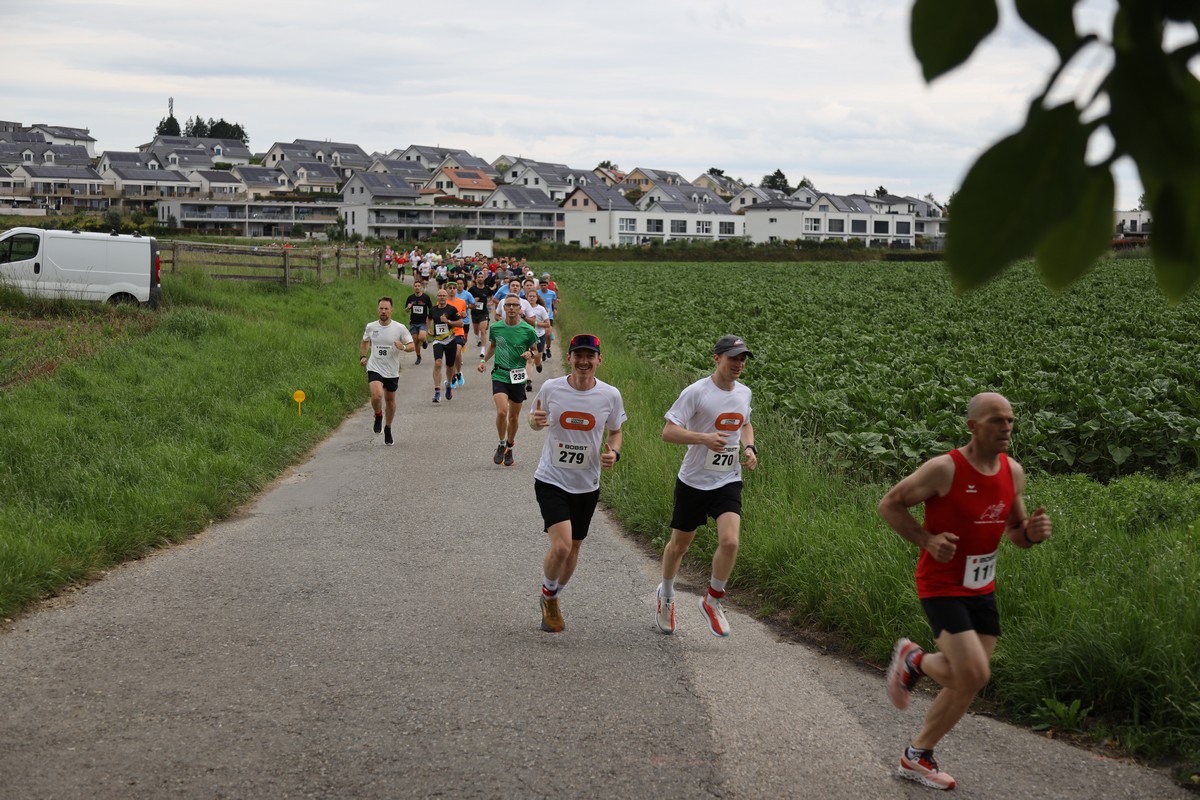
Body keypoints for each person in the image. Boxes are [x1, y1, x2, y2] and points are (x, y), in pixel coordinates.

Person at [878, 392, 1052, 791]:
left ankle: (918, 755)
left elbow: (1015, 532)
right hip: (941, 584)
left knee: (968, 680)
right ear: (973, 426)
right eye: (996, 420)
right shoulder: (944, 469)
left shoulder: (1013, 472)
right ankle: (916, 661)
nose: (1006, 427)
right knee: (974, 673)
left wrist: (1031, 533)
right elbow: (890, 504)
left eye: (1010, 420)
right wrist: (926, 539)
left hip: (981, 587)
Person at [654, 335, 757, 638]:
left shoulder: (744, 392)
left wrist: (750, 447)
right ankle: (666, 594)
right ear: (717, 358)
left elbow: (745, 423)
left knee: (731, 542)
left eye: (743, 359)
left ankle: (712, 600)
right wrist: (704, 438)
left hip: (728, 479)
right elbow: (668, 432)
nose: (739, 364)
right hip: (694, 481)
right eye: (733, 358)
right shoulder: (697, 392)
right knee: (679, 546)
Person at [528, 334, 626, 633]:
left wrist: (614, 453)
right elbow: (534, 418)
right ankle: (548, 595)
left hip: (587, 484)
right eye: (578, 355)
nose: (584, 361)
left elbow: (615, 432)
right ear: (569, 358)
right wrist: (535, 422)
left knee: (573, 549)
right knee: (561, 546)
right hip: (551, 478)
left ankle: (554, 595)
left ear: (599, 360)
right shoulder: (551, 387)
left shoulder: (610, 395)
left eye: (589, 356)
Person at [478, 295, 541, 466]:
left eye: (515, 305)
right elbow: (493, 346)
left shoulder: (528, 330)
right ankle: (501, 443)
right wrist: (484, 361)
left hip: (518, 376)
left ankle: (510, 445)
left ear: (520, 309)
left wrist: (530, 354)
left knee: (513, 417)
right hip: (500, 373)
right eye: (508, 305)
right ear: (504, 308)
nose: (512, 308)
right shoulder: (496, 328)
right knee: (502, 412)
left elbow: (536, 351)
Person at [359, 296, 415, 446]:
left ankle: (388, 427)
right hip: (374, 367)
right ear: (378, 310)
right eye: (381, 309)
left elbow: (412, 346)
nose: (383, 311)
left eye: (386, 309)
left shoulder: (399, 328)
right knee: (377, 395)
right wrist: (363, 356)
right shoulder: (371, 327)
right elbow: (365, 341)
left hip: (391, 370)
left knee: (390, 401)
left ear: (391, 310)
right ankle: (378, 415)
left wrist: (403, 347)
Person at [427, 287, 462, 403]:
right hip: (438, 340)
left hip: (450, 340)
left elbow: (461, 323)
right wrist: (429, 328)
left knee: (450, 366)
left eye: (444, 296)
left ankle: (448, 385)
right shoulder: (433, 309)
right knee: (438, 363)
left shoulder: (452, 309)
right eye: (440, 296)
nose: (442, 298)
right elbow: (429, 318)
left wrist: (448, 322)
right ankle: (437, 391)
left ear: (447, 297)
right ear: (437, 297)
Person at [446, 280, 469, 390]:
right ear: (446, 290)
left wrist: (464, 315)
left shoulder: (462, 302)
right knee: (451, 356)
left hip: (459, 331)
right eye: (449, 288)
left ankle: (458, 373)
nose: (452, 290)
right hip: (446, 332)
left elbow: (463, 315)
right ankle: (453, 376)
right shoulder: (442, 302)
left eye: (454, 288)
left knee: (457, 353)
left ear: (456, 290)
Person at [404, 280, 432, 366]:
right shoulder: (410, 298)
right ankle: (418, 356)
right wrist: (408, 308)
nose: (417, 287)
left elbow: (431, 308)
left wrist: (429, 318)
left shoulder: (426, 297)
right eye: (415, 286)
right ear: (413, 287)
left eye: (418, 286)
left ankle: (424, 341)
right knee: (415, 341)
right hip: (413, 322)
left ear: (421, 287)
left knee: (421, 337)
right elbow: (406, 310)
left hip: (423, 322)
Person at [469, 270, 492, 355]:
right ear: (476, 279)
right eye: (478, 277)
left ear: (484, 278)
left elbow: (491, 297)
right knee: (476, 330)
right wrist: (473, 301)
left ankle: (483, 350)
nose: (480, 279)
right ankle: (477, 339)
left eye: (482, 277)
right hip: (474, 313)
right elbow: (467, 301)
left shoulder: (487, 289)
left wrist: (490, 303)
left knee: (483, 330)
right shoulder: (472, 289)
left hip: (484, 312)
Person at [537, 276, 558, 358]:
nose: (543, 287)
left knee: (548, 334)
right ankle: (542, 352)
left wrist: (555, 309)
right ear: (539, 286)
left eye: (544, 285)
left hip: (549, 316)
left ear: (547, 285)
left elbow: (554, 301)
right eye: (541, 285)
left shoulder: (552, 293)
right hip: (540, 316)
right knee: (541, 335)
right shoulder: (537, 293)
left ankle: (548, 348)